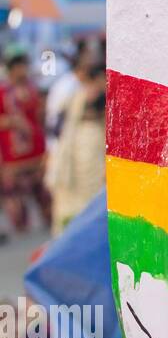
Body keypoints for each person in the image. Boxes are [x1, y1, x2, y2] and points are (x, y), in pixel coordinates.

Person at [46, 61, 107, 234]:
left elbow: (56, 125)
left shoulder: (77, 95)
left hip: (82, 146)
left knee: (87, 194)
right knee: (87, 196)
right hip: (86, 146)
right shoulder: (88, 95)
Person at [0, 49, 52, 232]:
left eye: (25, 65)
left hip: (37, 153)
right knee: (16, 203)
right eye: (20, 66)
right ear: (12, 69)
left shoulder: (33, 88)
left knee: (45, 196)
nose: (24, 70)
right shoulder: (2, 91)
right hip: (13, 158)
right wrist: (12, 121)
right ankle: (22, 233)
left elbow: (40, 117)